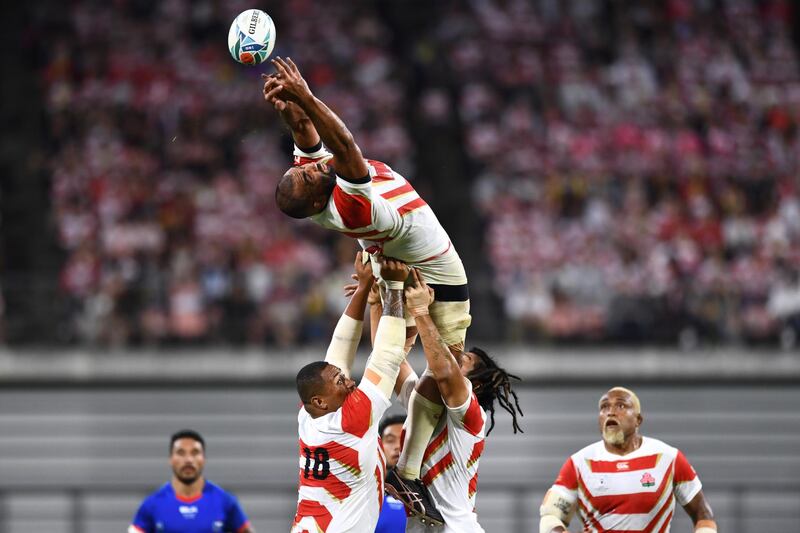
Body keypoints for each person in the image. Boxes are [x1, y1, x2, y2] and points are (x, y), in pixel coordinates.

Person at [262, 58, 472, 514]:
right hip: (436, 269)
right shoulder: (350, 205)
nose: (310, 166)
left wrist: (285, 103)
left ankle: (410, 464)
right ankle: (412, 471)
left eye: (302, 169)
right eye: (305, 174)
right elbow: (345, 143)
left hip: (388, 264)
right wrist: (307, 95)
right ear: (316, 198)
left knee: (418, 372)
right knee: (449, 373)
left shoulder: (316, 184)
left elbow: (305, 132)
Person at [386, 269, 523, 532]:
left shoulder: (471, 416)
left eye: (463, 361)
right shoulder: (425, 400)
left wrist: (421, 313)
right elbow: (388, 361)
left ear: (477, 385)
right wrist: (380, 301)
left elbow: (446, 373)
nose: (452, 358)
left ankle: (407, 477)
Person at [291, 255, 410, 532]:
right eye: (340, 381)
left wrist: (363, 289)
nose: (350, 381)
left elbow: (340, 348)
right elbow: (387, 356)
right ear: (319, 401)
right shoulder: (350, 420)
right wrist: (393, 287)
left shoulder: (309, 417)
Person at [539, 387, 716, 533]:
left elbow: (703, 515)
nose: (610, 412)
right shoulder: (578, 463)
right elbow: (550, 516)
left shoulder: (669, 458)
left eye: (621, 406)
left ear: (638, 419)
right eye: (604, 407)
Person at [128, 429, 254, 533]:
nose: (188, 459)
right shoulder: (152, 504)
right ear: (171, 459)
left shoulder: (225, 502)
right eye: (181, 453)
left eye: (195, 453)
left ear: (204, 459)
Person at [375, 414, 408, 533]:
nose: (398, 446)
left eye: (405, 439)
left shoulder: (436, 497)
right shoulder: (365, 496)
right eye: (390, 440)